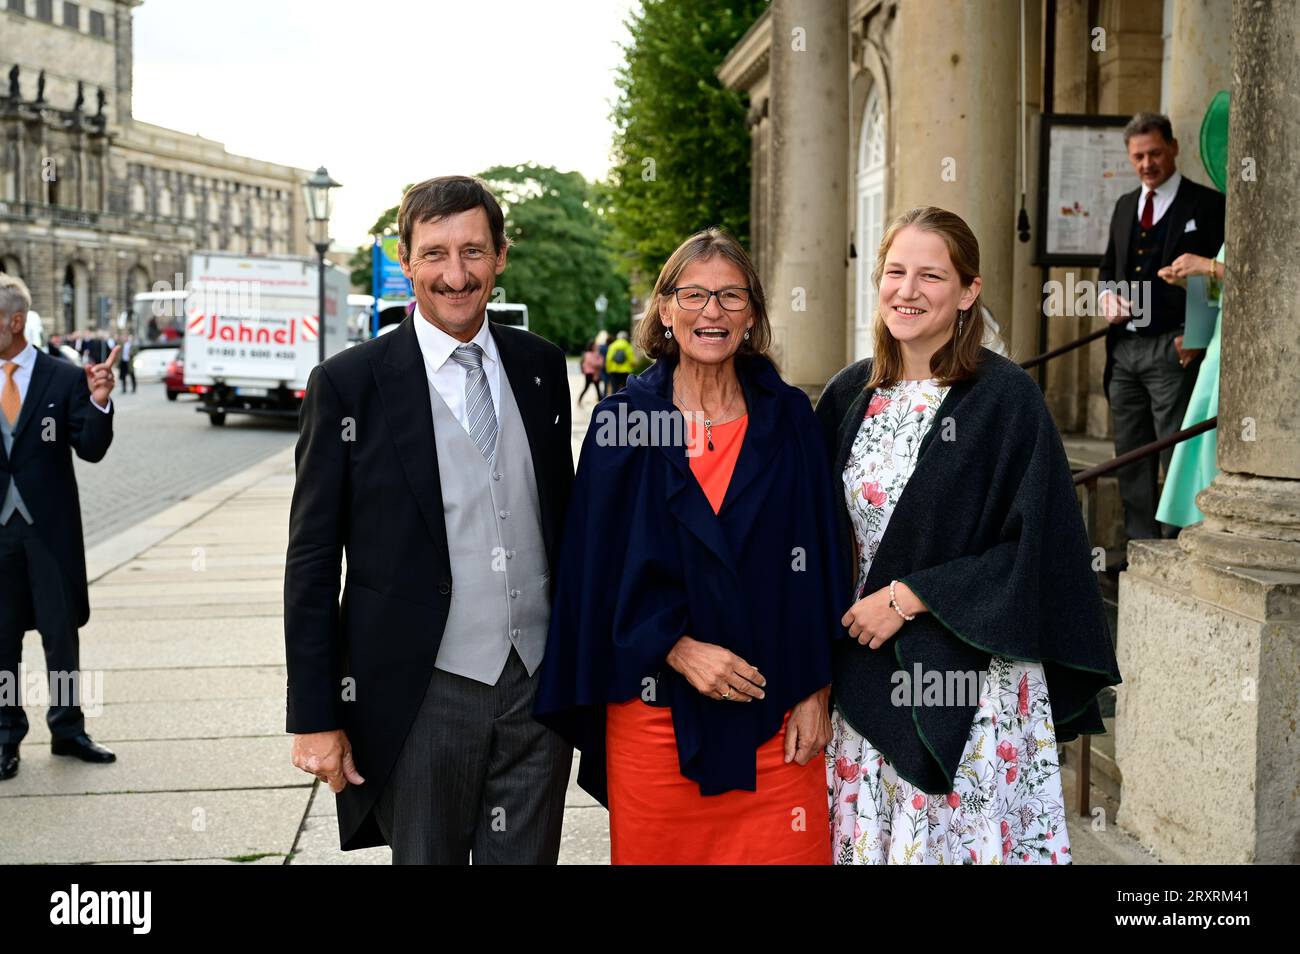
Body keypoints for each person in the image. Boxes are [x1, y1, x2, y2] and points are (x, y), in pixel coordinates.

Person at [815, 208, 1121, 864]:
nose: (908, 289)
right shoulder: (849, 393)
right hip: (866, 674)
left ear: (968, 291)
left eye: (932, 275)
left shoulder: (1005, 398)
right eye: (896, 271)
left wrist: (910, 595)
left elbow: (1038, 548)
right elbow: (807, 531)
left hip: (973, 684)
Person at [284, 176, 574, 864]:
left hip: (539, 691)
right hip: (421, 698)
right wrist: (315, 716)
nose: (455, 274)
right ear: (406, 260)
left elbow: (562, 521)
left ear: (500, 256)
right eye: (435, 253)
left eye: (473, 251)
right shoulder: (349, 384)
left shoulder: (539, 367)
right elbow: (312, 562)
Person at [536, 228, 846, 865]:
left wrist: (817, 692)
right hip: (655, 717)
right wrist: (675, 647)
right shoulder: (622, 422)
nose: (713, 311)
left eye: (731, 296)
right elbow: (591, 576)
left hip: (776, 712)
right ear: (665, 310)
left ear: (753, 315)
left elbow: (824, 562)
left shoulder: (790, 420)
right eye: (695, 294)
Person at [0, 275, 120, 781]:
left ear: (14, 321)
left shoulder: (62, 376)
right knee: (1, 642)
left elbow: (90, 448)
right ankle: (6, 737)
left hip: (48, 531)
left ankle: (68, 729)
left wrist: (98, 401)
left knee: (60, 636)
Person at [1098, 112, 1225, 543]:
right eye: (1138, 156)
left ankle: (1176, 543)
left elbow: (1220, 277)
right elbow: (1108, 272)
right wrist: (1106, 298)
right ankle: (1140, 545)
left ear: (1173, 147)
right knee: (1130, 456)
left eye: (1154, 153)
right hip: (1124, 349)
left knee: (1176, 451)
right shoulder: (1122, 206)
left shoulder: (1208, 205)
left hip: (1172, 349)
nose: (1147, 164)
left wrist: (1195, 338)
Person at [1156, 94, 1230, 529]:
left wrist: (1207, 266)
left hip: (1245, 358)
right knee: (1202, 436)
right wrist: (1195, 282)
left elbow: (1276, 285)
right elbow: (1224, 287)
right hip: (1218, 350)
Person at [604, 329, 634, 393]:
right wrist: (633, 367)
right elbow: (631, 359)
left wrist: (608, 369)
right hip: (625, 371)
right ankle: (623, 403)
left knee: (614, 389)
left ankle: (614, 402)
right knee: (624, 389)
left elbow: (608, 358)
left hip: (614, 371)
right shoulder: (627, 345)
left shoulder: (612, 345)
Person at [577, 339, 603, 404]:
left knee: (597, 388)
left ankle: (601, 401)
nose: (596, 346)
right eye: (595, 345)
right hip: (590, 373)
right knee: (586, 387)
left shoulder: (596, 353)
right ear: (591, 346)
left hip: (595, 373)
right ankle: (579, 400)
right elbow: (594, 363)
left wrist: (599, 362)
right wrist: (599, 363)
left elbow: (601, 362)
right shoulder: (588, 354)